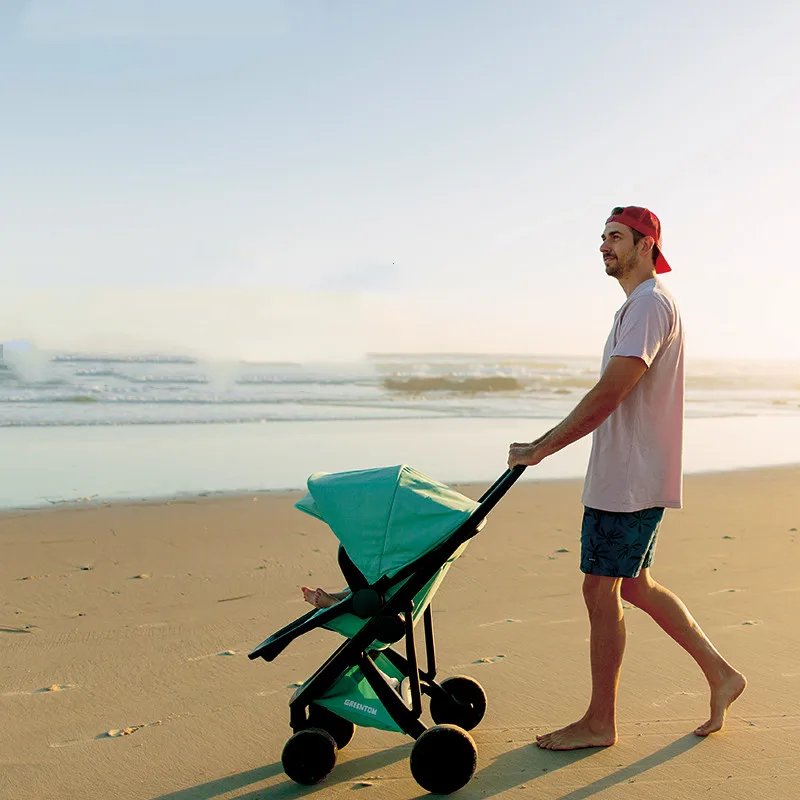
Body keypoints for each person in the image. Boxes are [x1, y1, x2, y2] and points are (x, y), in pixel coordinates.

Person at [507, 206, 746, 751]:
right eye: (602, 237)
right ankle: (722, 675)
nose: (603, 246)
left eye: (615, 237)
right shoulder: (640, 307)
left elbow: (611, 393)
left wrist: (543, 447)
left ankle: (600, 722)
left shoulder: (647, 307)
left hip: (629, 481)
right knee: (632, 584)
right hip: (627, 475)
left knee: (600, 588)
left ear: (645, 245)